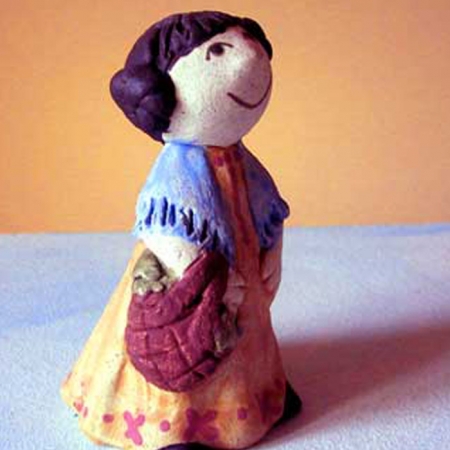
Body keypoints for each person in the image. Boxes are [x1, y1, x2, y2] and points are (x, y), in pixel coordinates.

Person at [61, 11, 301, 450]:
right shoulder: (176, 170)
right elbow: (164, 232)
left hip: (242, 273)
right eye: (218, 51)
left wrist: (274, 249)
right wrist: (205, 277)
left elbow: (268, 209)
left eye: (246, 42)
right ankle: (178, 425)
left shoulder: (239, 159)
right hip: (195, 282)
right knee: (191, 340)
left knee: (242, 334)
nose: (250, 59)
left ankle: (261, 394)